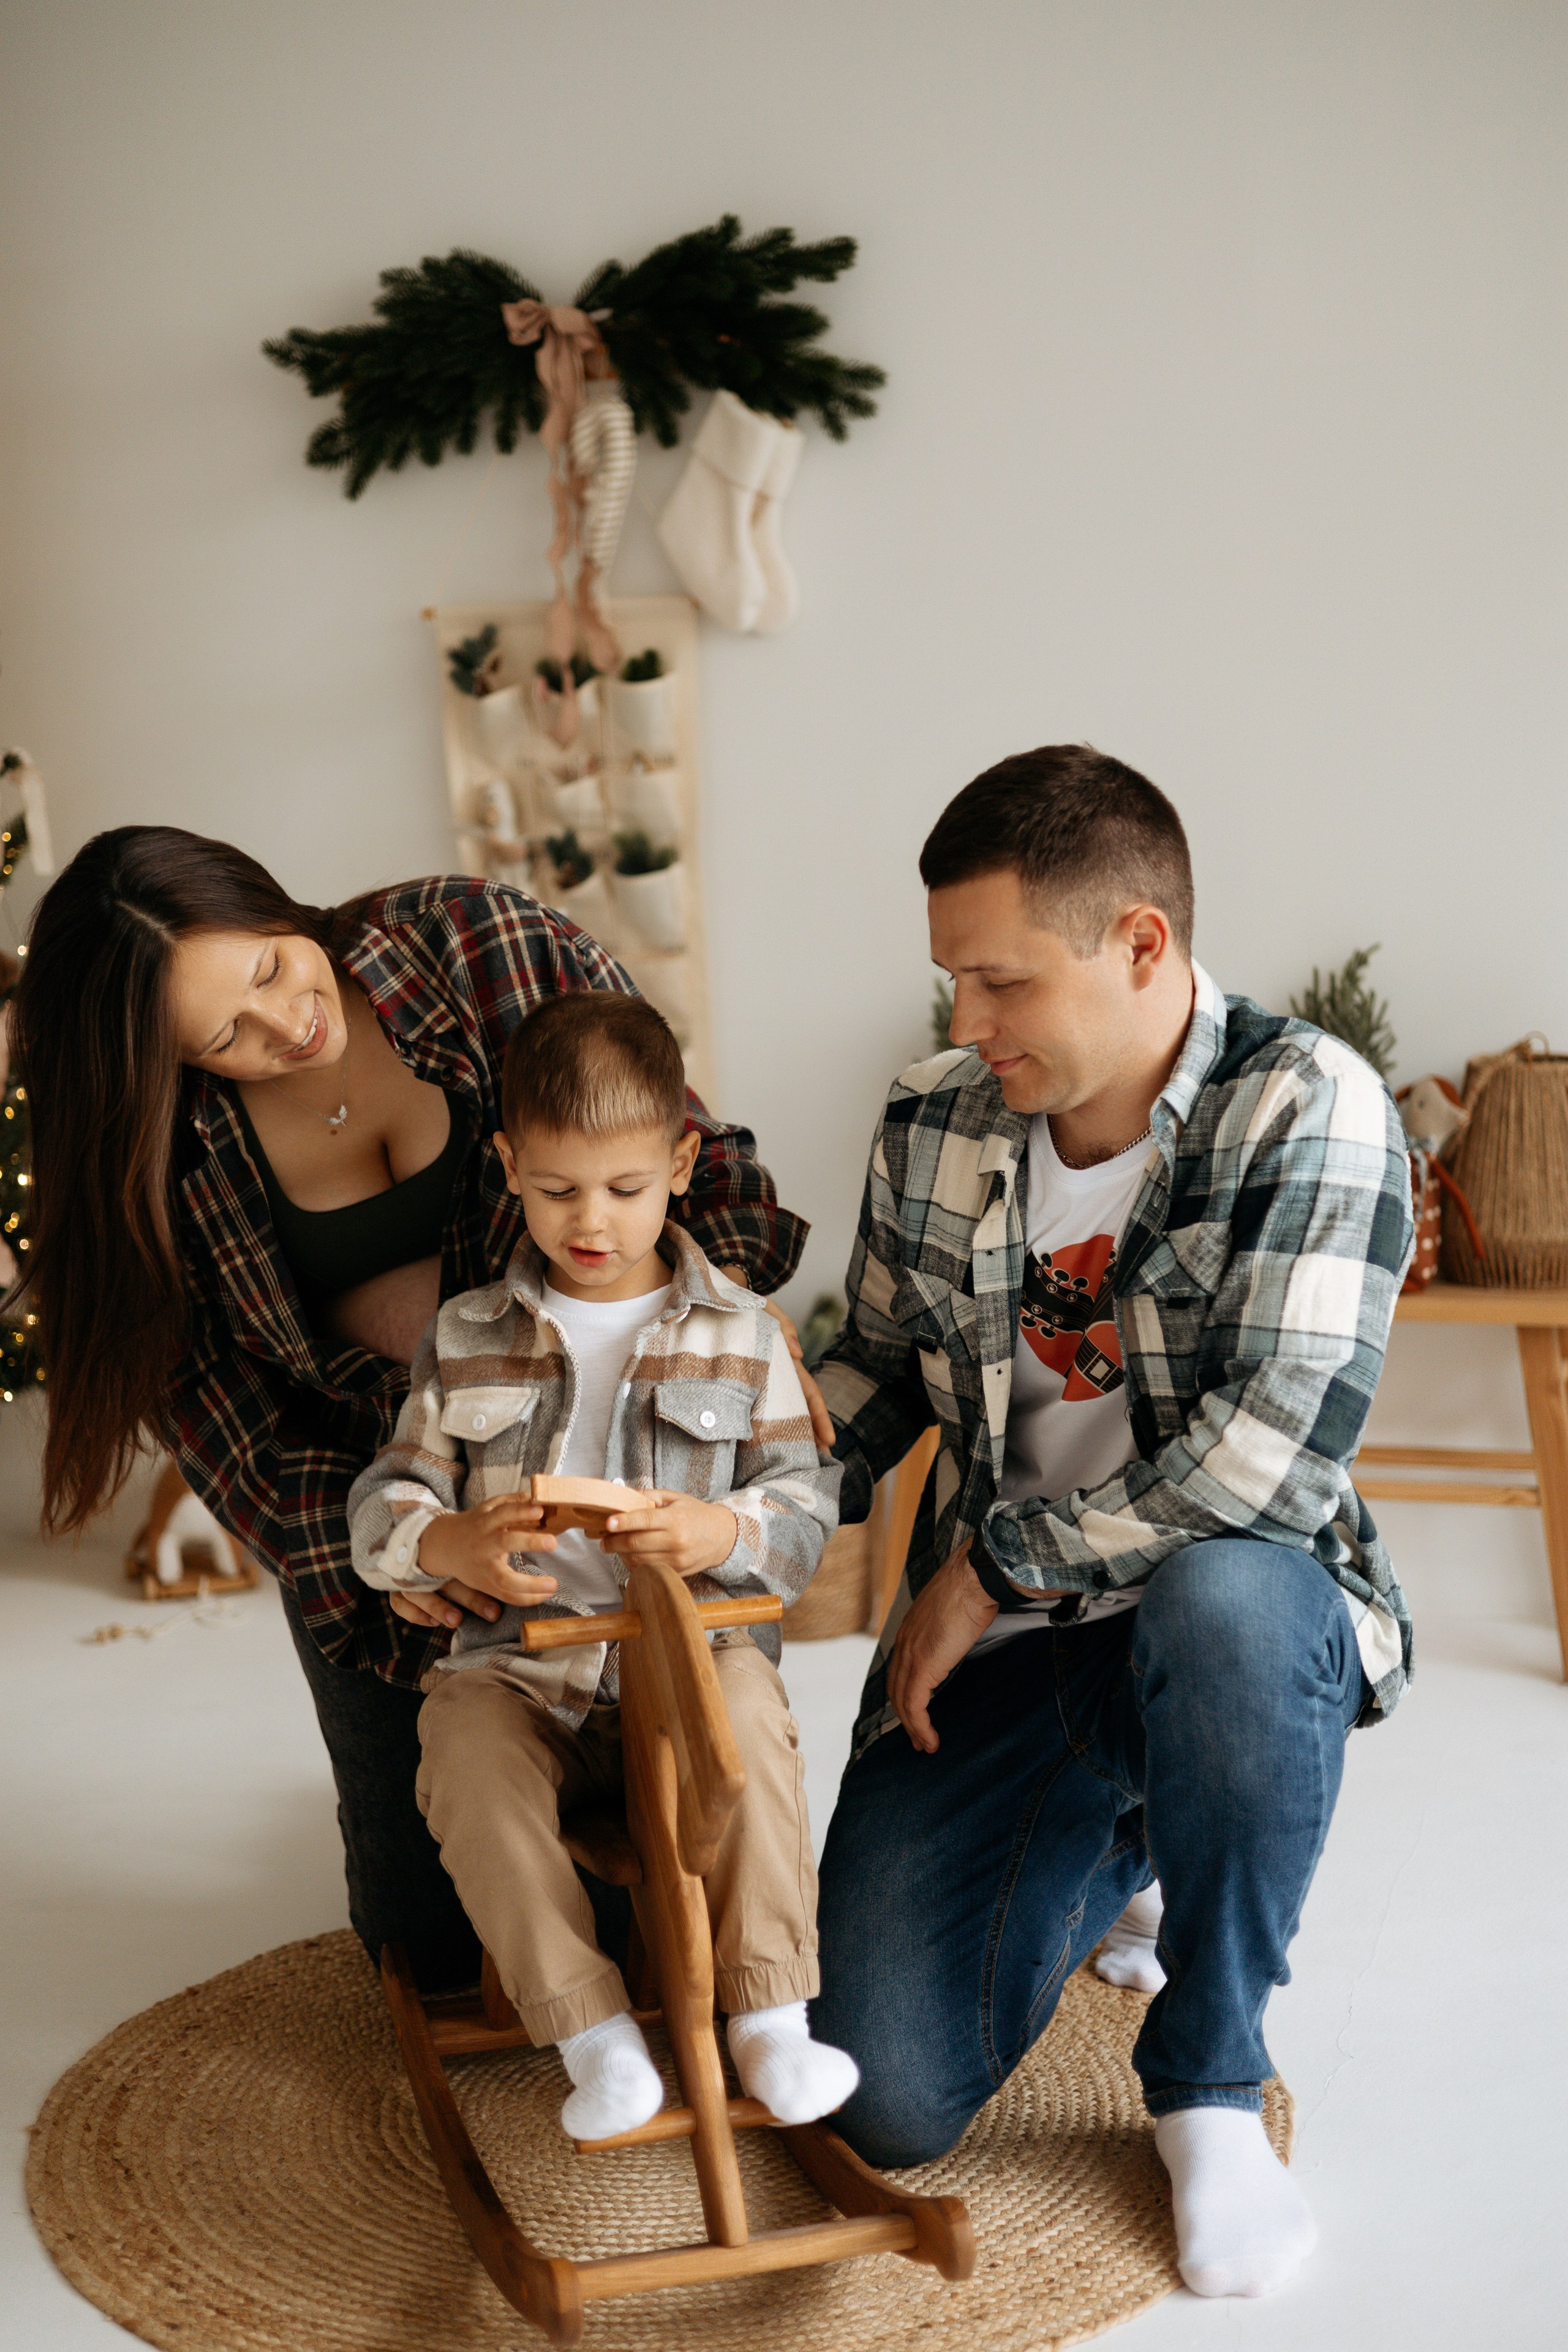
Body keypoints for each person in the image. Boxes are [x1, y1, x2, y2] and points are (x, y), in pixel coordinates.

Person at [12, 831, 824, 1994]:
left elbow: (680, 1147)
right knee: (433, 1943)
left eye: (270, 969)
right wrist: (407, 1557)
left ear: (271, 901)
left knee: (680, 1850)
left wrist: (724, 1320)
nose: (284, 1027)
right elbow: (213, 1409)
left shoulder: (473, 947)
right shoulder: (171, 1155)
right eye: (224, 1039)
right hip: (386, 1499)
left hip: (604, 1480)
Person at [812, 745, 1414, 2301]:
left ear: (1139, 944)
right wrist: (751, 1483)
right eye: (951, 981)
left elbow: (1262, 1468)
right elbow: (873, 1366)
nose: (963, 1024)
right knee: (879, 2096)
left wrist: (988, 1565)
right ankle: (1138, 1825)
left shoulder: (1309, 1108)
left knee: (1227, 1603)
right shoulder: (932, 1121)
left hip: (1220, 1620)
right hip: (1010, 1655)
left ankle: (1208, 2079)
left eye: (998, 983)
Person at [347, 991, 857, 2137]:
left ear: (680, 1165)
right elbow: (388, 1494)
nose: (592, 1221)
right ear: (509, 1166)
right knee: (460, 1752)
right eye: (557, 1189)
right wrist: (442, 1540)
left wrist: (721, 1534)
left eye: (626, 1189)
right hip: (520, 1670)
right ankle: (591, 2031)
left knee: (753, 1726)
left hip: (691, 1656)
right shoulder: (468, 1332)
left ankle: (771, 2017)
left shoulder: (743, 1330)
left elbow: (804, 1504)